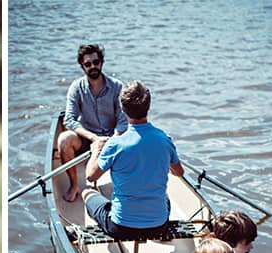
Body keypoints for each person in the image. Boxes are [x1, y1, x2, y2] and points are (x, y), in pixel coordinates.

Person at [80, 80, 184, 238]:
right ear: (148, 107)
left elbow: (90, 176)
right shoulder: (164, 139)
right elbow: (179, 172)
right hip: (158, 225)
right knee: (166, 198)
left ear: (122, 109)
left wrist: (95, 151)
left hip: (120, 226)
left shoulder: (115, 144)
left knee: (87, 192)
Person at [59, 44, 129, 202]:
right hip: (88, 139)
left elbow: (123, 120)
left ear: (102, 62)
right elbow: (69, 119)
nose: (92, 66)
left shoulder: (117, 87)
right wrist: (94, 139)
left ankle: (122, 188)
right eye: (88, 64)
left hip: (113, 139)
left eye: (95, 62)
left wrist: (111, 141)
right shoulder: (76, 88)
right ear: (82, 67)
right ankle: (74, 185)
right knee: (64, 139)